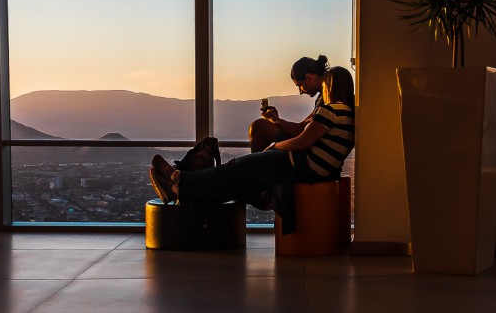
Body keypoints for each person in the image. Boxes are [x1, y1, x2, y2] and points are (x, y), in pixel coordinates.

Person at [150, 67, 354, 232]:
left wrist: (274, 146)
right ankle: (180, 189)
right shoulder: (348, 114)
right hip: (306, 167)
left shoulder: (330, 110)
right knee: (238, 184)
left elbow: (302, 141)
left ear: (330, 86)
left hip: (296, 163)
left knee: (235, 168)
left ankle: (178, 179)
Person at [248, 54, 330, 153]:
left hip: (306, 151)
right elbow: (302, 127)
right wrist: (276, 120)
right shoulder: (325, 97)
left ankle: (257, 165)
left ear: (309, 78)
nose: (301, 91)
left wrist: (274, 119)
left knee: (258, 127)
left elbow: (299, 130)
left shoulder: (326, 99)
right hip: (310, 147)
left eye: (300, 85)